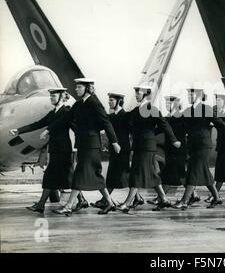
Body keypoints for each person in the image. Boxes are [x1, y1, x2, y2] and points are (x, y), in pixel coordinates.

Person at [48, 78, 121, 216]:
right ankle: (110, 203)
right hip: (83, 144)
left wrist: (114, 142)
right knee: (96, 175)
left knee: (80, 174)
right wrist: (48, 129)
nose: (76, 89)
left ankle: (69, 205)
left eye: (79, 87)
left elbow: (106, 123)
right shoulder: (79, 104)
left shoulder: (94, 103)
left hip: (91, 146)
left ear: (87, 88)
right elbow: (65, 119)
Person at [9, 88, 87, 213]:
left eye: (54, 96)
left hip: (63, 149)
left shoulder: (66, 111)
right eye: (51, 96)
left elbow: (77, 128)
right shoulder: (53, 113)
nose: (51, 98)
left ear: (61, 97)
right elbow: (37, 124)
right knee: (64, 176)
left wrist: (85, 143)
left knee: (57, 176)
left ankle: (41, 205)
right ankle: (81, 200)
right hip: (55, 148)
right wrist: (19, 131)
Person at [115, 85, 181, 212]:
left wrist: (173, 140)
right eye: (136, 92)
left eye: (138, 92)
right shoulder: (136, 110)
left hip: (147, 147)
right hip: (139, 146)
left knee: (138, 174)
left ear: (145, 94)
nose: (136, 94)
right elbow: (124, 119)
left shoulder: (151, 109)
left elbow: (164, 124)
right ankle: (164, 199)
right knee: (151, 174)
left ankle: (127, 203)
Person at [172, 87, 225, 210]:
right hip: (193, 145)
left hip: (203, 145)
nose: (189, 97)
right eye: (188, 95)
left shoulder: (205, 108)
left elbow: (218, 122)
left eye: (191, 95)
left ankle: (185, 201)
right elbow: (178, 122)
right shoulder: (188, 110)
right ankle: (217, 197)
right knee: (204, 173)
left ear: (198, 95)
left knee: (193, 171)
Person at [91, 92, 143, 209]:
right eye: (109, 100)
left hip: (123, 149)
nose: (109, 102)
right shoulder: (112, 116)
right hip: (115, 150)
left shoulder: (126, 116)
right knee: (124, 174)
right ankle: (138, 198)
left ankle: (105, 200)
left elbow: (133, 131)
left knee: (115, 174)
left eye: (112, 100)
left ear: (119, 102)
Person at [148, 95, 200, 207]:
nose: (167, 105)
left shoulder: (182, 117)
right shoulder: (168, 117)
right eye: (166, 103)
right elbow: (158, 130)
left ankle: (161, 198)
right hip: (170, 150)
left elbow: (189, 130)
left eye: (169, 103)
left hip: (179, 149)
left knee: (173, 173)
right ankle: (194, 194)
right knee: (177, 173)